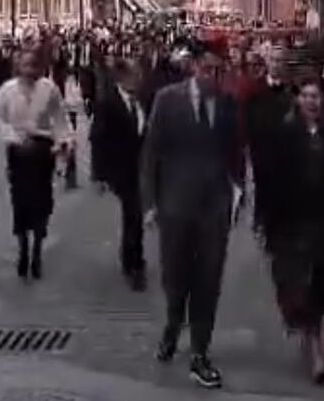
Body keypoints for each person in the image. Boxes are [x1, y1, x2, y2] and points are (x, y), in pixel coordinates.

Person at [142, 39, 244, 389]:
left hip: (214, 208)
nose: (212, 76)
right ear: (193, 67)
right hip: (175, 205)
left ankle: (200, 352)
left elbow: (236, 153)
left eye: (218, 70)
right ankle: (172, 325)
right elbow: (151, 154)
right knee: (176, 277)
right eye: (206, 69)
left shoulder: (228, 103)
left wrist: (237, 192)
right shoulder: (167, 100)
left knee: (208, 280)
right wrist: (151, 203)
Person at [260, 77, 324, 384]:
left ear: (323, 100)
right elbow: (270, 182)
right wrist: (268, 224)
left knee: (321, 285)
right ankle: (314, 348)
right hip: (293, 225)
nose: (311, 101)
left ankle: (313, 339)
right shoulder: (284, 135)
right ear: (298, 100)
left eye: (315, 96)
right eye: (305, 96)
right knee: (300, 287)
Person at [0, 48, 71, 282]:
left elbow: (59, 119)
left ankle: (37, 246)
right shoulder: (7, 91)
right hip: (18, 152)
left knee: (42, 200)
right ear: (18, 68)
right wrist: (14, 139)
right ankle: (23, 248)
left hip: (42, 149)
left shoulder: (49, 89)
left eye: (33, 67)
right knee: (21, 201)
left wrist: (62, 141)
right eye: (25, 66)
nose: (29, 72)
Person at [90, 58, 148, 292]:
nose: (139, 80)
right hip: (121, 169)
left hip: (141, 168)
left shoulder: (141, 100)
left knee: (134, 214)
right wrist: (99, 174)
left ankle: (131, 257)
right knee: (133, 213)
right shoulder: (108, 103)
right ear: (122, 78)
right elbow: (98, 138)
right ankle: (134, 263)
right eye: (135, 76)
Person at [245, 44, 295, 232]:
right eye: (273, 60)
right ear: (267, 63)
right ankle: (263, 223)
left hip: (285, 155)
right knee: (264, 191)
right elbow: (250, 121)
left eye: (280, 61)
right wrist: (254, 150)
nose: (276, 64)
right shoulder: (256, 90)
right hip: (263, 154)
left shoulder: (291, 91)